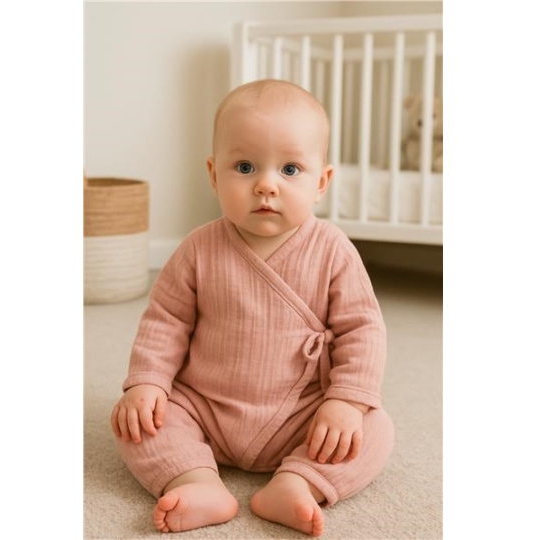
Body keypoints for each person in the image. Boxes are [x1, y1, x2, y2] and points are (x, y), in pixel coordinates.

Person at [111, 79, 394, 537]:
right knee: (136, 421)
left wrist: (345, 401)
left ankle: (298, 482)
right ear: (213, 174)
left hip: (303, 415)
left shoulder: (333, 250)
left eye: (290, 169)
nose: (266, 185)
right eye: (244, 167)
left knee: (374, 427)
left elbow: (362, 329)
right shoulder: (198, 249)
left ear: (321, 182)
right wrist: (148, 382)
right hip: (204, 408)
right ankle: (195, 480)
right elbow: (165, 321)